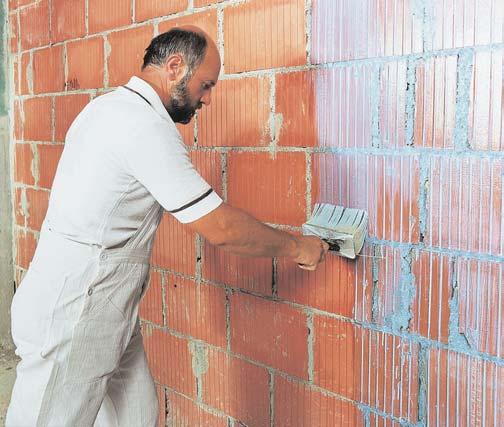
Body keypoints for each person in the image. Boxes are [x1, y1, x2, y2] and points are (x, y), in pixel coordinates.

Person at [6, 26, 329, 426]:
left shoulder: (107, 108)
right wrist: (299, 248)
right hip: (78, 306)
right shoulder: (142, 126)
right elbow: (221, 229)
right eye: (205, 85)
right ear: (175, 66)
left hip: (104, 300)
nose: (206, 99)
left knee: (136, 416)